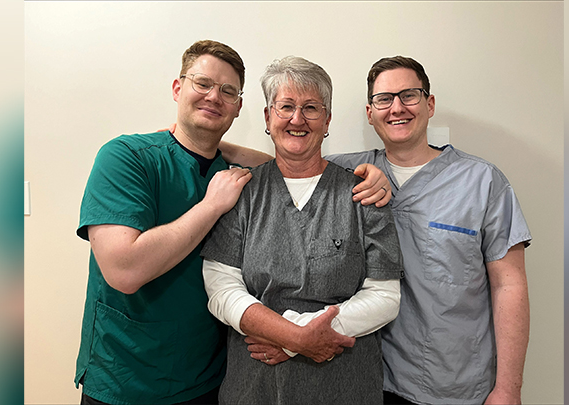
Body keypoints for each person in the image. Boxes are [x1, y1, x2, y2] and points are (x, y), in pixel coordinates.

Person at [74, 40, 393, 405]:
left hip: (207, 376)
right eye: (202, 84)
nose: (214, 97)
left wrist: (369, 174)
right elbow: (124, 271)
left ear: (239, 107)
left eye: (228, 91)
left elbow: (294, 161)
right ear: (178, 88)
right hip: (130, 374)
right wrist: (211, 205)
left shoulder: (240, 172)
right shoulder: (128, 159)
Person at [227, 56, 532, 405]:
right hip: (373, 377)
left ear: (429, 104)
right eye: (384, 99)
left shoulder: (482, 181)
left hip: (453, 382)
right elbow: (292, 159)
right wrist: (208, 145)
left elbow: (510, 285)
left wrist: (509, 389)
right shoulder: (351, 172)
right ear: (370, 113)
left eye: (410, 95)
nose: (397, 108)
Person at [200, 56, 404, 405]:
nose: (298, 119)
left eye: (311, 108)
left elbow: (385, 297)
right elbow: (220, 288)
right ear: (267, 117)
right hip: (254, 386)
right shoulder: (241, 192)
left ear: (327, 120)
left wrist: (299, 337)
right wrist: (296, 337)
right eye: (286, 107)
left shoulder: (363, 192)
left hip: (344, 386)